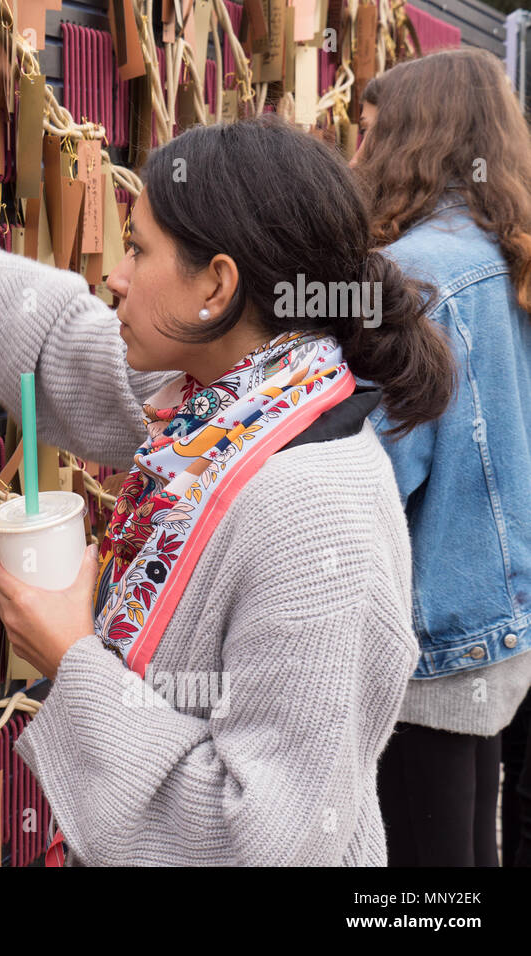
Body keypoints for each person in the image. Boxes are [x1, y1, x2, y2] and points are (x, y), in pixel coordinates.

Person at [0, 114, 456, 865]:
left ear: (218, 286)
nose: (116, 275)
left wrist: (72, 657)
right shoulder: (232, 412)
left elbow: (263, 842)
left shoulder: (314, 515)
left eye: (138, 248)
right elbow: (67, 346)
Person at [351, 47, 531, 867]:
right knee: (464, 853)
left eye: (366, 133)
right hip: (495, 624)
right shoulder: (508, 255)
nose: (354, 156)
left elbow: (369, 476)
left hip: (424, 641)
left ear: (409, 141)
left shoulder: (417, 275)